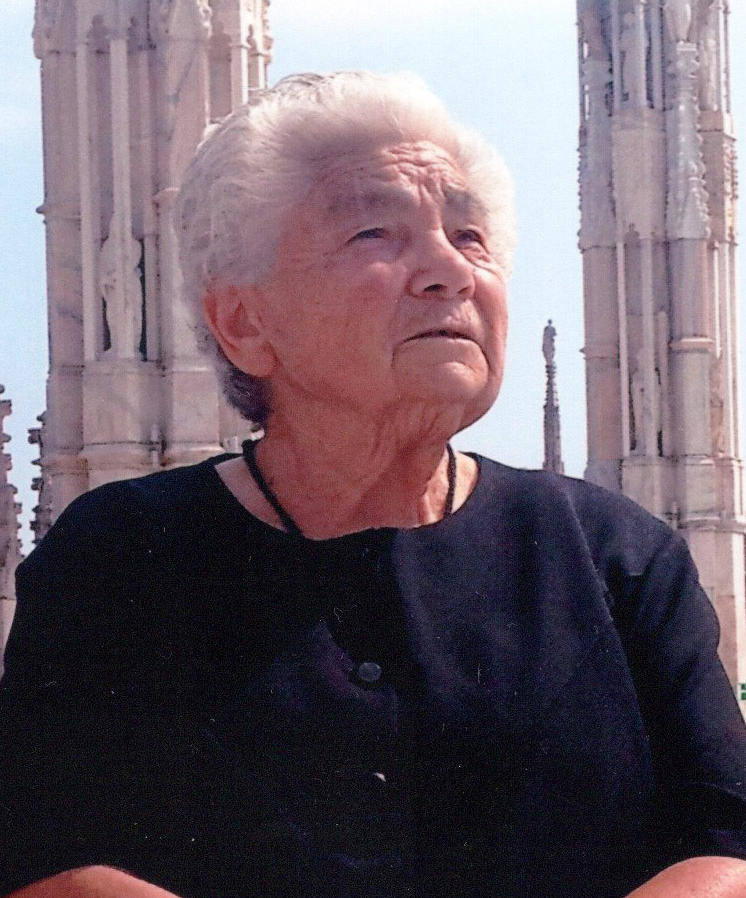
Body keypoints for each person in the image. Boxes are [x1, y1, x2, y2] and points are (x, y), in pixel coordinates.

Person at [1, 72, 745, 898]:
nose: (449, 272)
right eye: (374, 233)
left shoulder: (616, 556)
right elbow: (48, 860)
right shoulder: (123, 559)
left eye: (469, 235)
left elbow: (726, 842)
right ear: (244, 322)